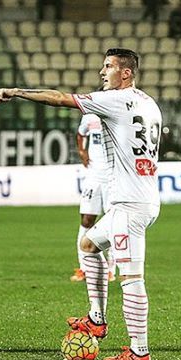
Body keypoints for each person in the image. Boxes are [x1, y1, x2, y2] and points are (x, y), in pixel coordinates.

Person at [0, 48, 162, 360]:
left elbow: (59, 98)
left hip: (130, 204)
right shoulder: (149, 103)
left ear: (126, 73)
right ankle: (97, 319)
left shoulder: (114, 101)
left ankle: (139, 351)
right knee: (89, 244)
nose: (101, 71)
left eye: (108, 67)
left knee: (131, 277)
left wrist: (17, 92)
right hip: (141, 197)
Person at [71, 113, 116, 283]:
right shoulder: (89, 116)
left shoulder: (116, 113)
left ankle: (110, 269)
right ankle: (84, 268)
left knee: (113, 222)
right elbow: (81, 133)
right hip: (94, 177)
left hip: (113, 177)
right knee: (86, 220)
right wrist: (82, 150)